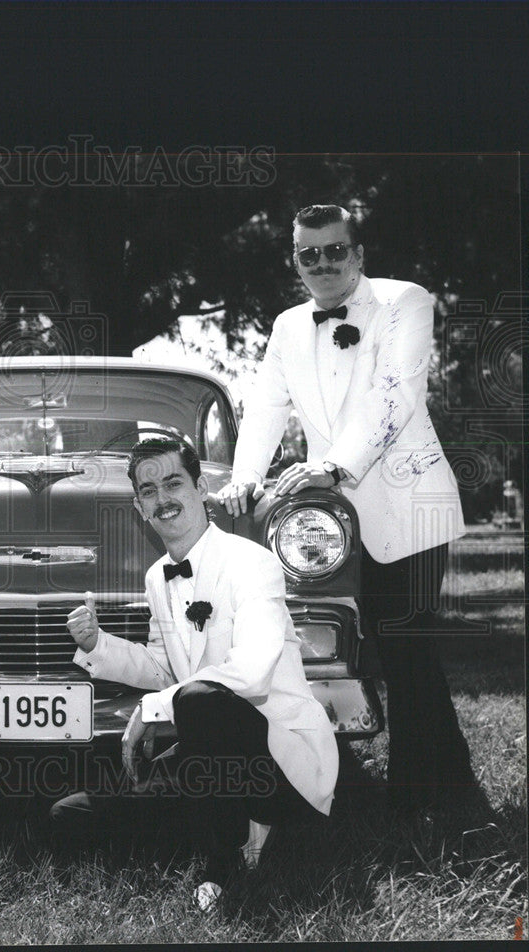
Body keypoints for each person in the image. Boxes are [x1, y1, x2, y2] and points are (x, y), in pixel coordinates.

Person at [219, 204, 475, 815]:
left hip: (408, 502)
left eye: (336, 250)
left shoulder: (404, 301)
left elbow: (398, 393)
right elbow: (265, 409)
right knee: (346, 646)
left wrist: (334, 464)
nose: (323, 262)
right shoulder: (286, 327)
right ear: (296, 262)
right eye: (309, 253)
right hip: (324, 524)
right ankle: (443, 771)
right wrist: (245, 479)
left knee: (402, 640)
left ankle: (416, 794)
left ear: (358, 255)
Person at [54, 439, 338, 910]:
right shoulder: (156, 576)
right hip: (208, 758)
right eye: (149, 491)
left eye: (173, 483)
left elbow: (252, 672)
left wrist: (154, 707)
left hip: (281, 766)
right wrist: (97, 645)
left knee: (199, 701)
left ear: (201, 487)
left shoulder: (253, 563)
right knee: (70, 816)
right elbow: (164, 667)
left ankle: (221, 863)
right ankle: (225, 829)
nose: (163, 498)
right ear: (139, 506)